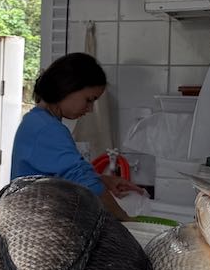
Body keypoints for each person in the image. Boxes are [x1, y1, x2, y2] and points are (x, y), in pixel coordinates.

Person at [11, 52, 144, 220]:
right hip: (35, 224)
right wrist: (125, 220)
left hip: (27, 219)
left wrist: (104, 180)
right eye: (89, 100)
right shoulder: (48, 129)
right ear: (67, 88)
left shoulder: (36, 120)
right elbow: (86, 182)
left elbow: (58, 178)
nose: (90, 109)